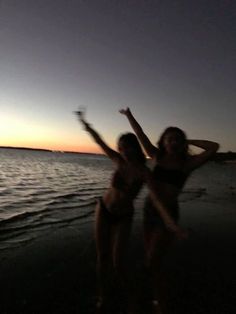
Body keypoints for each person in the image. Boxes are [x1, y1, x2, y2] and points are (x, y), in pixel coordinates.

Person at [75, 110, 186, 313]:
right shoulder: (118, 161)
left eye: (129, 148)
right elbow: (100, 142)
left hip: (124, 217)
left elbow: (157, 199)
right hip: (104, 210)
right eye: (122, 148)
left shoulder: (144, 172)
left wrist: (169, 222)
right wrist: (86, 125)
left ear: (136, 149)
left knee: (118, 263)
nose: (125, 151)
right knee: (103, 257)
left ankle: (131, 298)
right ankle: (103, 296)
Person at [120, 107, 219, 313]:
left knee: (151, 261)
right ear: (163, 141)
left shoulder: (187, 164)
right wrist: (129, 116)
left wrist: (189, 141)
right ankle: (159, 300)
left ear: (180, 143)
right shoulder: (155, 156)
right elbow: (140, 135)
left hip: (169, 213)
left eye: (177, 139)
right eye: (169, 138)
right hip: (150, 211)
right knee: (154, 260)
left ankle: (140, 300)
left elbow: (213, 147)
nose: (173, 142)